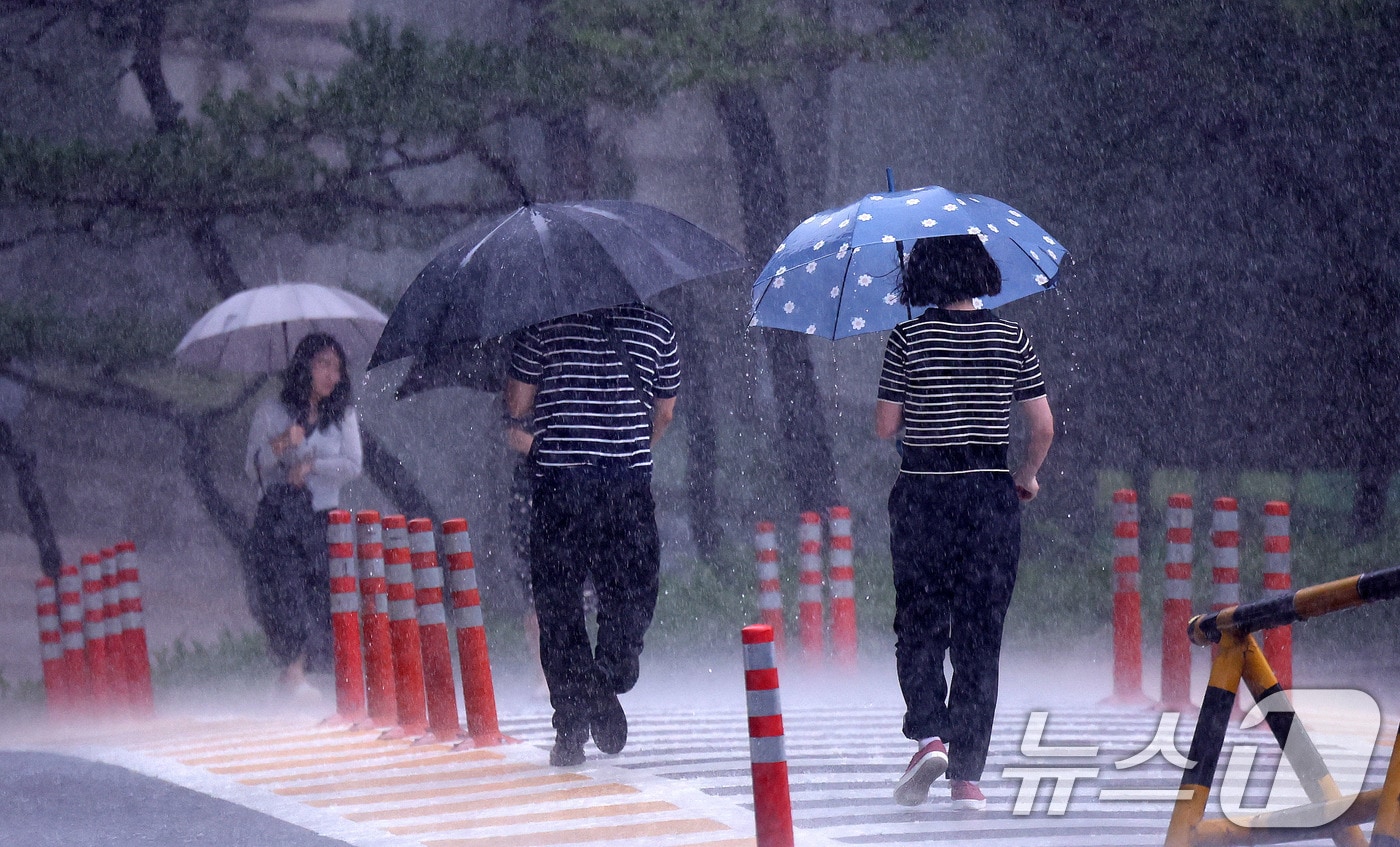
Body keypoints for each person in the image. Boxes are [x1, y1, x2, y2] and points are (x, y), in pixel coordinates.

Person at [875, 235, 1055, 811]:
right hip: (989, 497)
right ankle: (968, 776)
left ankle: (930, 734)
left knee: (921, 622)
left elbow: (885, 426)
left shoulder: (908, 338)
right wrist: (1024, 475)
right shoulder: (1012, 337)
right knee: (980, 637)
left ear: (924, 278)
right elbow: (1043, 426)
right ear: (981, 272)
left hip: (925, 495)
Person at [504, 303, 679, 767]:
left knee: (559, 606)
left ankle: (569, 727)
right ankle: (607, 676)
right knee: (631, 596)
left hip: (560, 489)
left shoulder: (542, 324)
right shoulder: (658, 328)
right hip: (627, 487)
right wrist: (630, 446)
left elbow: (518, 405)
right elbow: (664, 414)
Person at [244, 332, 363, 697]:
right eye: (323, 365)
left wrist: (312, 465)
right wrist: (282, 442)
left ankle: (301, 673)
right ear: (304, 367)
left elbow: (352, 464)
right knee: (287, 592)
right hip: (280, 522)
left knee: (322, 595)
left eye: (337, 368)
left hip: (323, 519)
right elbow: (253, 468)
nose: (331, 375)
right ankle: (294, 671)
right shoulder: (270, 412)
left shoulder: (341, 414)